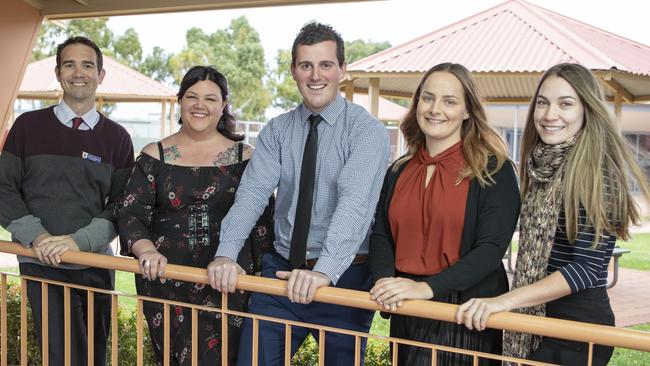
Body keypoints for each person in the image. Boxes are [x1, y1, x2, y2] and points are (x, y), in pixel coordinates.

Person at [207, 22, 390, 366]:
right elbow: (252, 194)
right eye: (306, 65)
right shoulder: (278, 130)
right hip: (281, 275)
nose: (315, 75)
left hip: (342, 278)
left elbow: (355, 203)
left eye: (326, 65)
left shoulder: (366, 131)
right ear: (293, 71)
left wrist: (324, 271)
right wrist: (225, 254)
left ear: (342, 70)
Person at [455, 63, 650, 365]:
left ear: (588, 109)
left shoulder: (597, 173)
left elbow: (587, 267)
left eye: (566, 104)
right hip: (537, 320)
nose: (549, 115)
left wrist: (504, 301)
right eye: (543, 103)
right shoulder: (543, 167)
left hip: (575, 329)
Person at [117, 65, 274, 365]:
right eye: (192, 96)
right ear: (180, 102)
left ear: (224, 105)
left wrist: (257, 279)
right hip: (166, 282)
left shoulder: (247, 158)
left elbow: (263, 225)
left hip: (229, 284)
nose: (200, 105)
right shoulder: (155, 155)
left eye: (211, 98)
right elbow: (130, 213)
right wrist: (146, 250)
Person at [368, 62, 520, 366]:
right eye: (428, 98)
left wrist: (426, 288)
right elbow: (383, 232)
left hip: (464, 311)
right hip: (407, 305)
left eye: (449, 101)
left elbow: (490, 250)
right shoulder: (398, 171)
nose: (435, 109)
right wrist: (387, 283)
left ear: (467, 111)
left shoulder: (494, 170)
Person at [0, 36, 134, 366]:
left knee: (94, 357)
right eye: (70, 64)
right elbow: (3, 190)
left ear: (100, 75)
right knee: (61, 357)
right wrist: (40, 237)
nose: (79, 72)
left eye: (88, 65)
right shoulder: (27, 127)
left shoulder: (117, 138)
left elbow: (121, 206)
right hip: (42, 262)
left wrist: (77, 241)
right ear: (58, 72)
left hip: (97, 265)